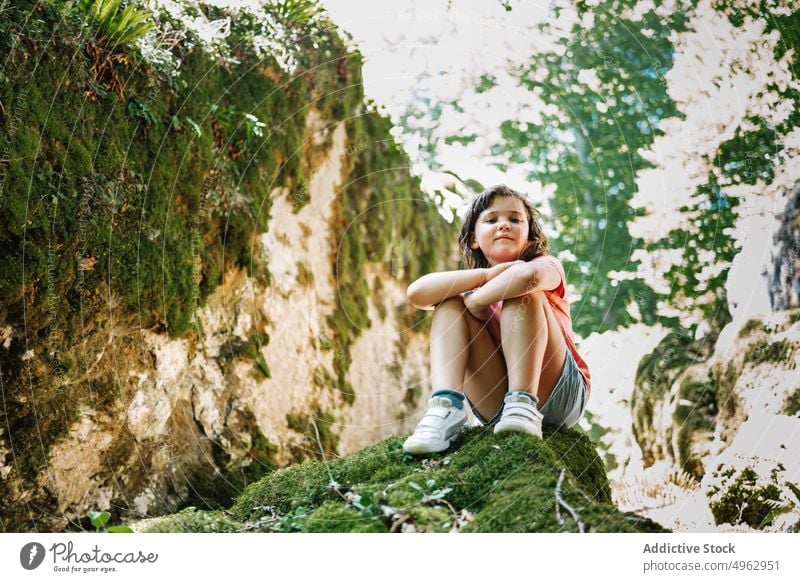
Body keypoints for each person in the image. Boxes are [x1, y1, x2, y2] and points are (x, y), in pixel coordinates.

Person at [402, 184, 591, 455]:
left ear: (528, 236)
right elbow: (417, 293)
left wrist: (477, 302)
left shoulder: (546, 265)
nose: (504, 225)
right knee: (448, 304)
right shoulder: (470, 287)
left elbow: (528, 278)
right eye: (492, 220)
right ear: (473, 239)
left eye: (515, 219)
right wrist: (485, 278)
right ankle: (445, 409)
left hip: (560, 391)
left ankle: (523, 401)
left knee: (523, 292)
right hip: (496, 404)